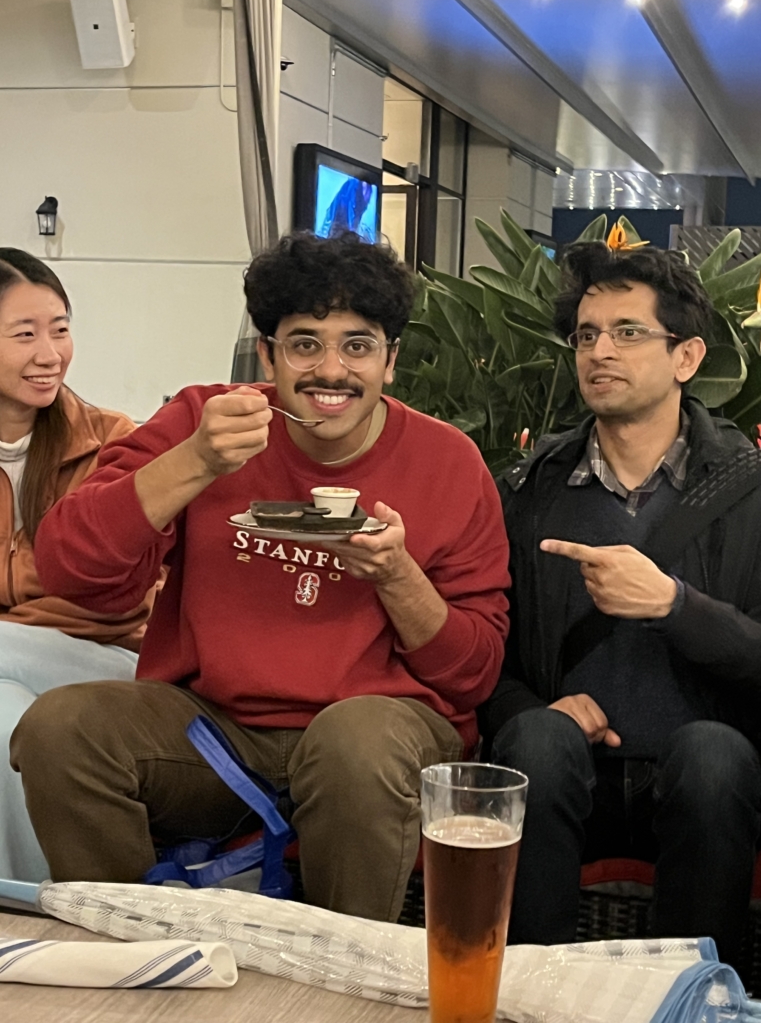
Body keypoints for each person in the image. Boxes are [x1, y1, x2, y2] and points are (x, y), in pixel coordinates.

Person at [10, 233, 510, 921]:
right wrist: (195, 461)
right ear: (268, 356)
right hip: (213, 731)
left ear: (390, 361)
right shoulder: (206, 422)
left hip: (378, 727)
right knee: (60, 728)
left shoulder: (448, 463)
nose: (330, 370)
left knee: (354, 743)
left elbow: (473, 673)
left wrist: (397, 576)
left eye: (357, 346)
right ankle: (139, 949)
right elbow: (71, 566)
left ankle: (341, 967)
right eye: (304, 344)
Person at [480, 240, 761, 968]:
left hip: (712, 784)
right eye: (586, 335)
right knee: (535, 740)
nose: (600, 351)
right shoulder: (530, 490)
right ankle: (526, 997)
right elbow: (485, 657)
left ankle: (693, 996)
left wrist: (675, 605)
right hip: (569, 777)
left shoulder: (755, 489)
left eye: (627, 332)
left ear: (687, 357)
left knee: (712, 756)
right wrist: (537, 710)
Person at [0, 248, 156, 881]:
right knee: (4, 716)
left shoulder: (112, 440)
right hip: (14, 671)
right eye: (25, 335)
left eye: (60, 330)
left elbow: (120, 594)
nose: (50, 354)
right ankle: (37, 908)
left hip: (110, 661)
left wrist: (14, 622)